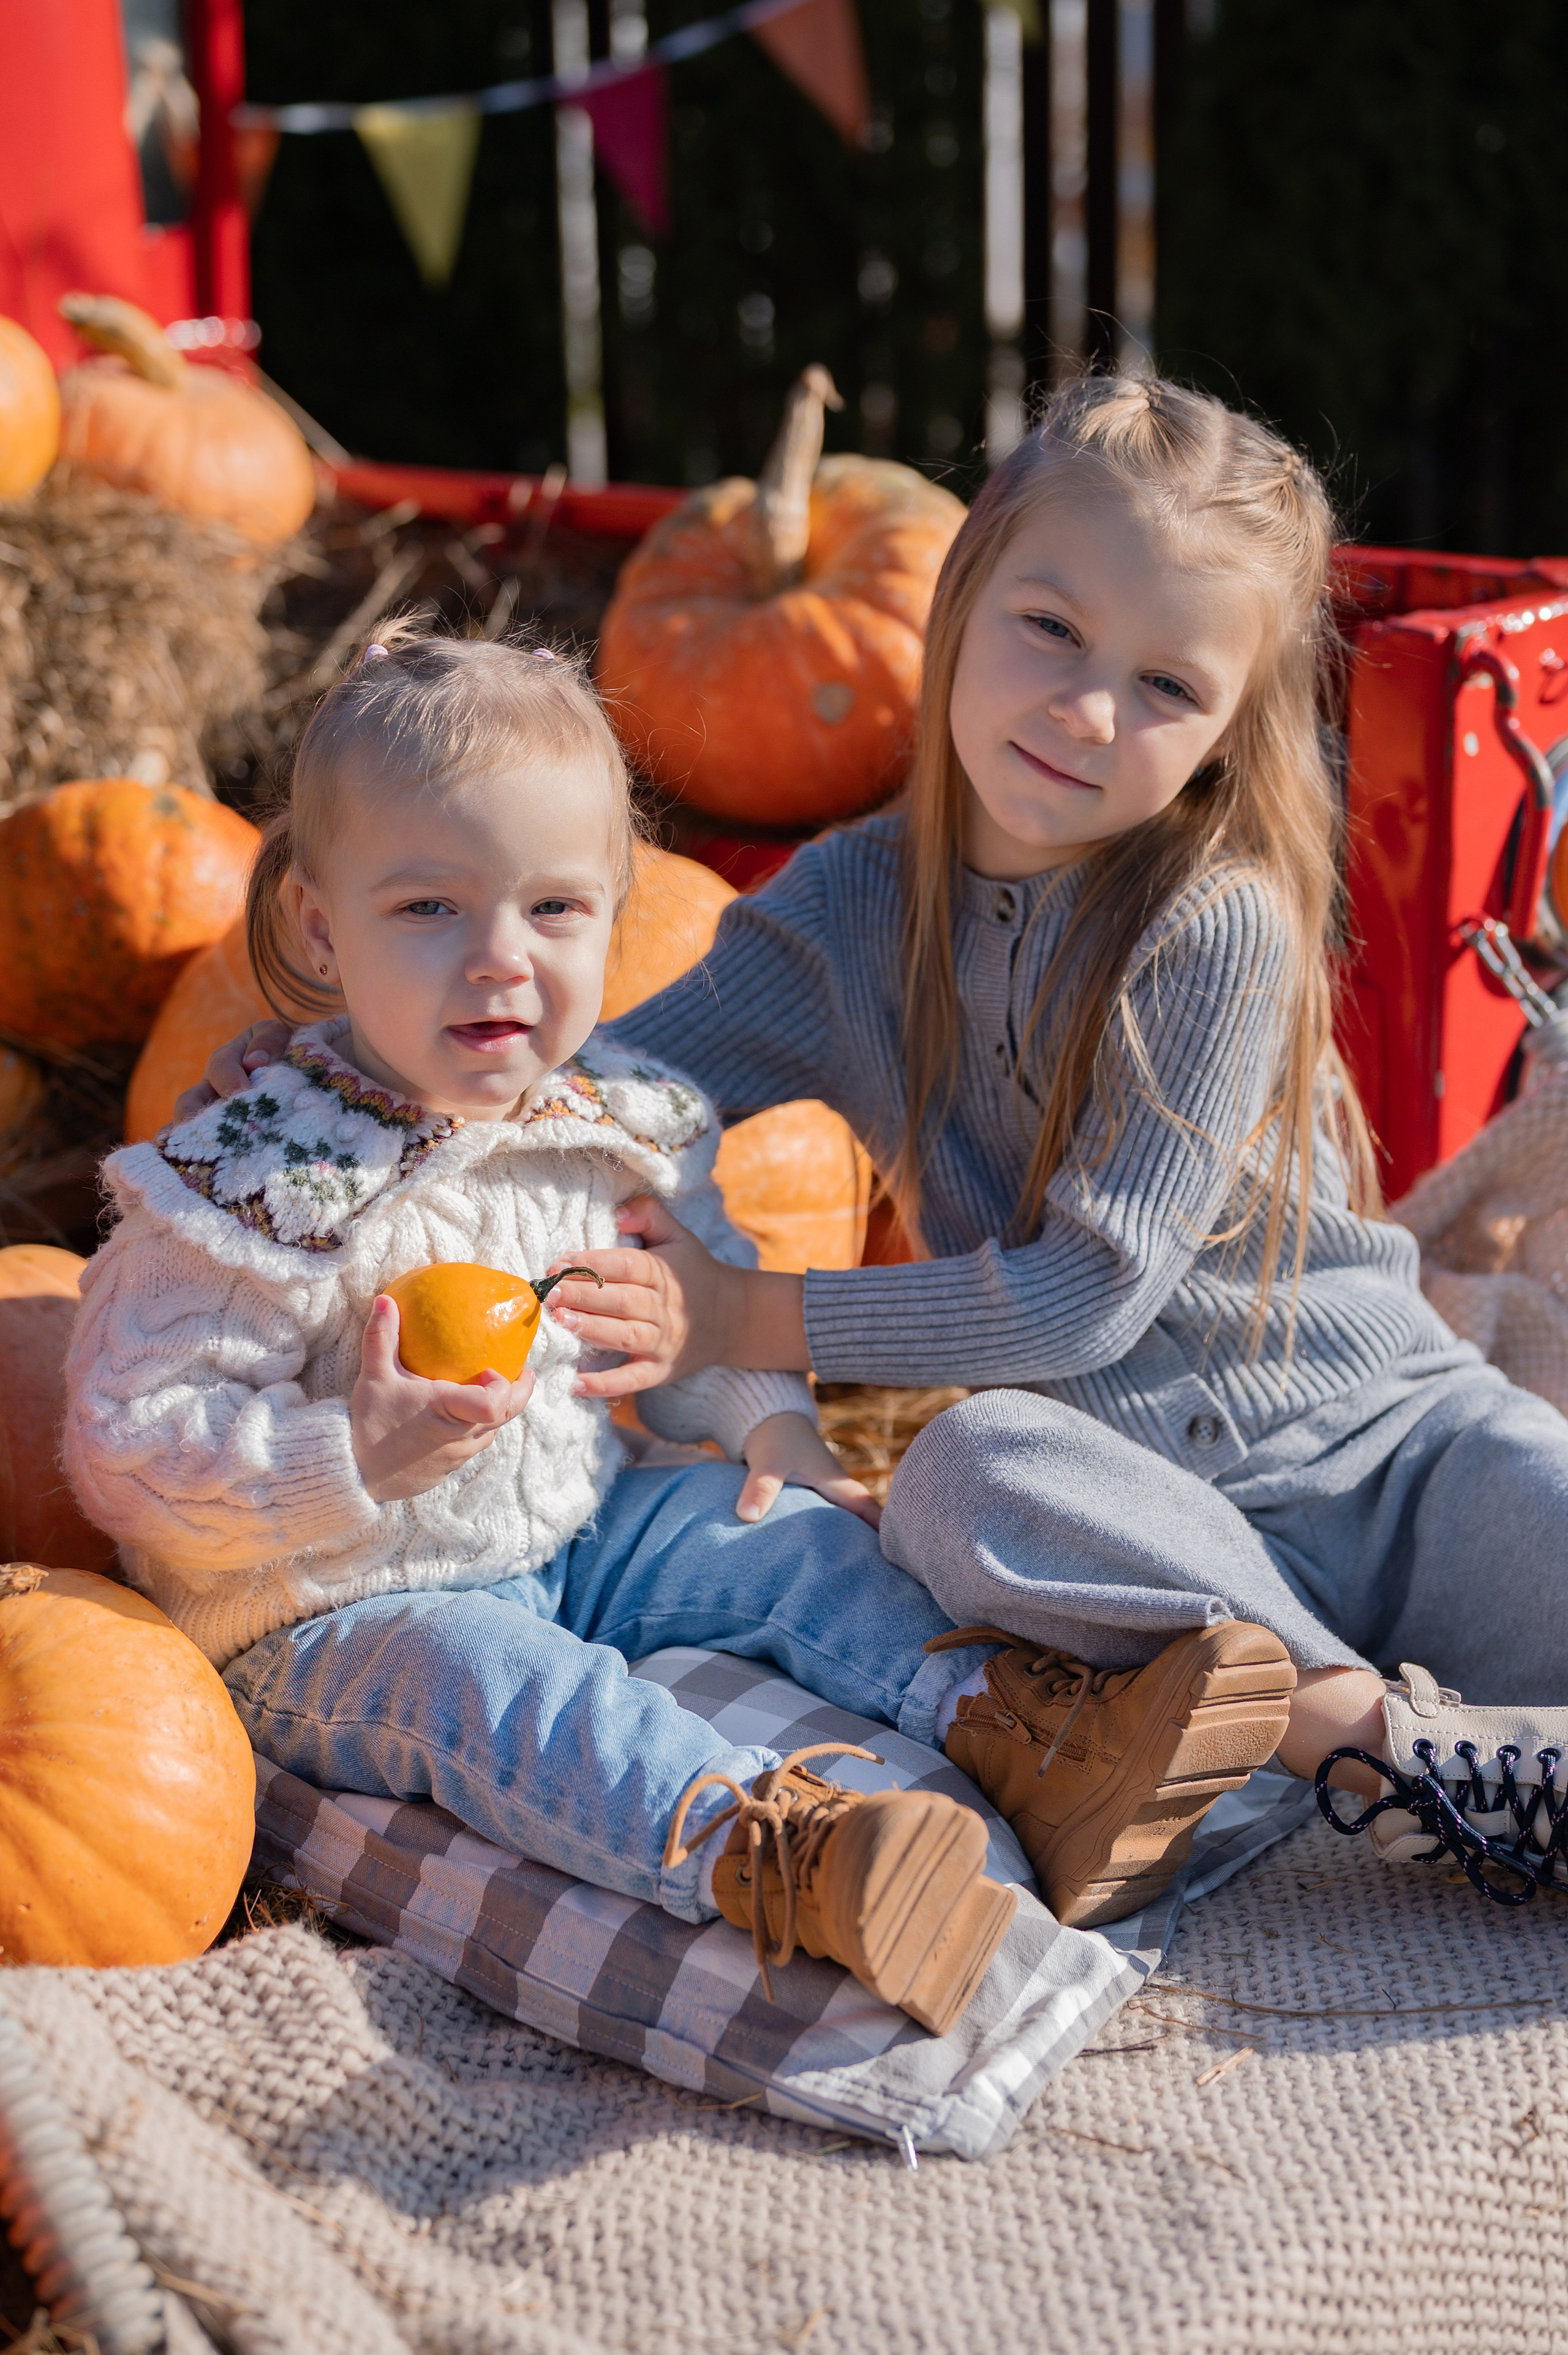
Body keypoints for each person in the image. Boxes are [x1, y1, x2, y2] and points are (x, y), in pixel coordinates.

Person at [65, 625, 1038, 2038]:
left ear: (613, 910)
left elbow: (691, 1293)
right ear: (323, 928)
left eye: (554, 908)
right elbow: (125, 1438)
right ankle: (778, 1854)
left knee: (769, 1532)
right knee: (513, 1690)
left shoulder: (606, 1119)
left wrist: (764, 1416)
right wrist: (347, 1452)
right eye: (428, 908)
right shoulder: (258, 1173)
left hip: (570, 1530)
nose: (499, 960)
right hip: (327, 1614)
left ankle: (1015, 1721)